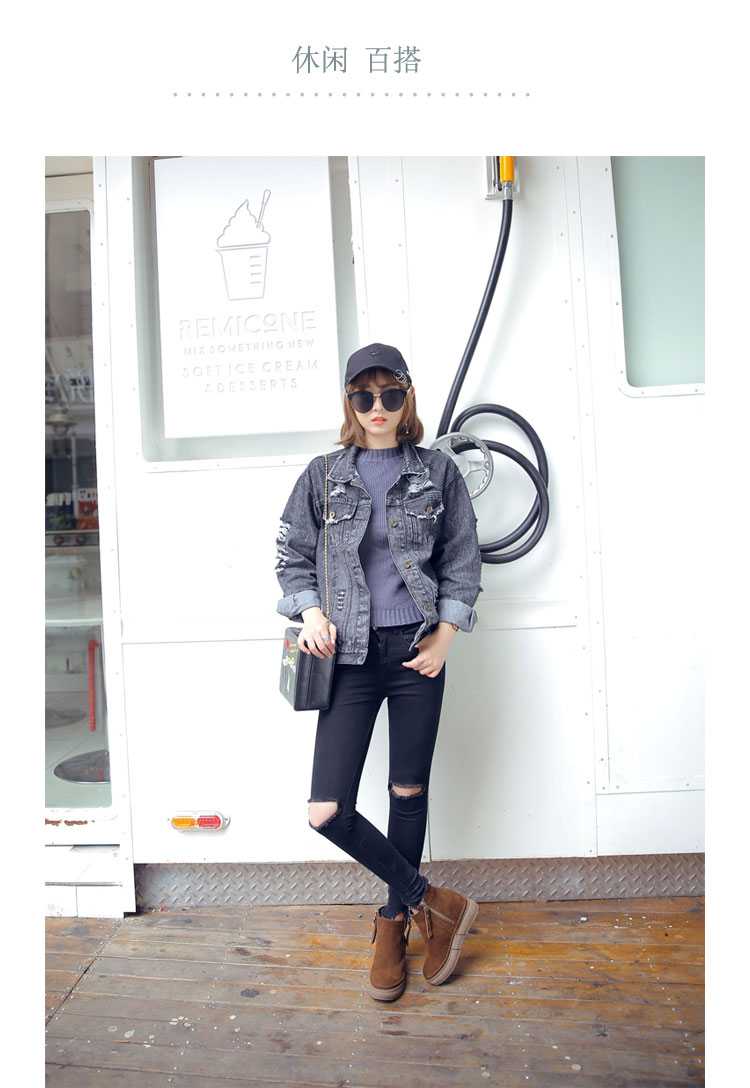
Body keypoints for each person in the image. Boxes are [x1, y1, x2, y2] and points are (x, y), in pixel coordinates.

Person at [275, 343, 482, 1001]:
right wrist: (310, 612)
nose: (377, 408)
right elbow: (291, 554)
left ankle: (393, 924)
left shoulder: (438, 472)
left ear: (407, 397)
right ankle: (433, 902)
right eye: (363, 396)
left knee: (407, 793)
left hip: (418, 651)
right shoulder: (323, 475)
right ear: (350, 403)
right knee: (326, 810)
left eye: (390, 394)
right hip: (350, 657)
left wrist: (446, 636)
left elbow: (463, 558)